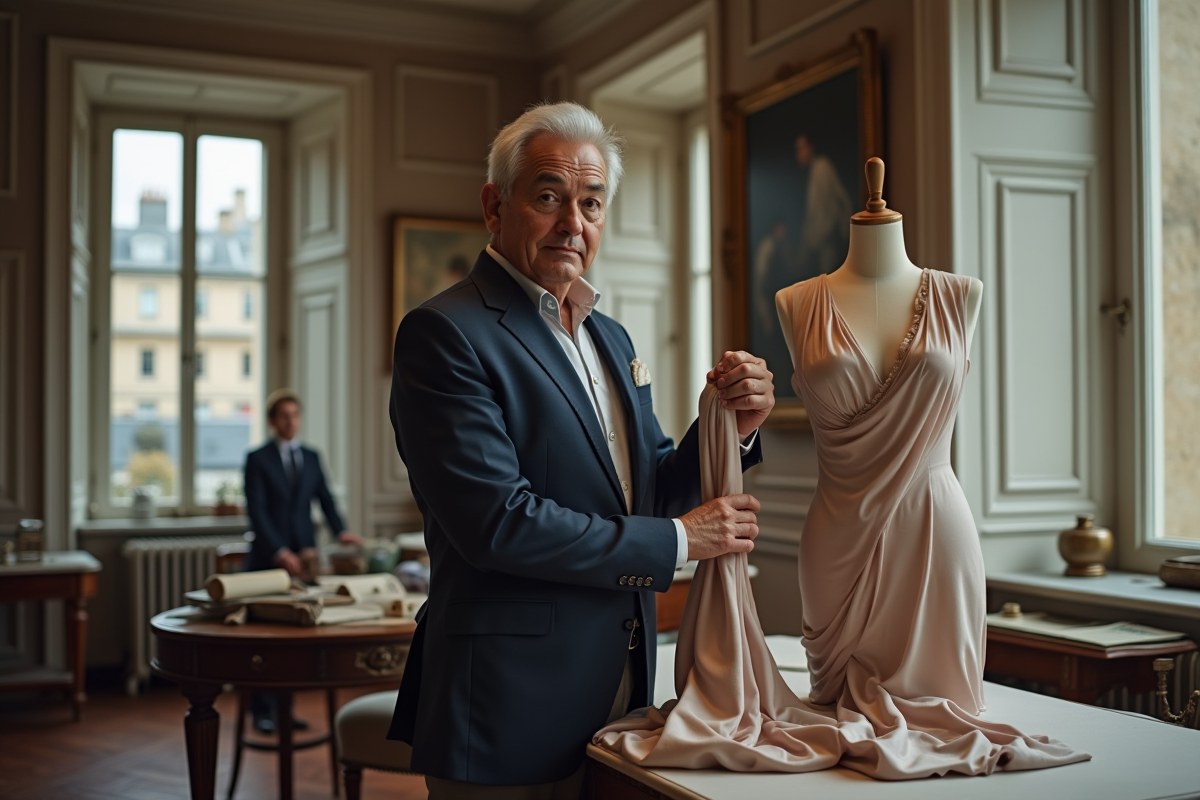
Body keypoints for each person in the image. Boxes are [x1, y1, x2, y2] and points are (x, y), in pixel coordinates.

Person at [387, 101, 776, 799]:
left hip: (625, 689)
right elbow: (496, 523)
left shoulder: (612, 337)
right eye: (548, 198)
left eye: (591, 203)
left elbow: (649, 490)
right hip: (507, 702)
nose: (573, 223)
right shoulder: (443, 333)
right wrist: (680, 542)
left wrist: (730, 425)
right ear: (493, 205)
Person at [243, 388, 361, 732]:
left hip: (305, 559)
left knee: (293, 638)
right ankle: (261, 711)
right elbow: (257, 512)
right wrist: (280, 551)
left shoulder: (311, 457)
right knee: (266, 638)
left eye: (295, 415)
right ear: (271, 421)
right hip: (268, 560)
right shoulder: (258, 458)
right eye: (284, 415)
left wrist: (341, 532)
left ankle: (285, 708)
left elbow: (325, 499)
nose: (290, 421)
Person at [794, 134, 852, 276]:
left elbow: (830, 208)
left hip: (827, 241)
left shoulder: (822, 168)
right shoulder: (814, 171)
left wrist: (815, 237)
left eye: (801, 149)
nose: (799, 155)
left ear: (810, 148)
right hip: (821, 241)